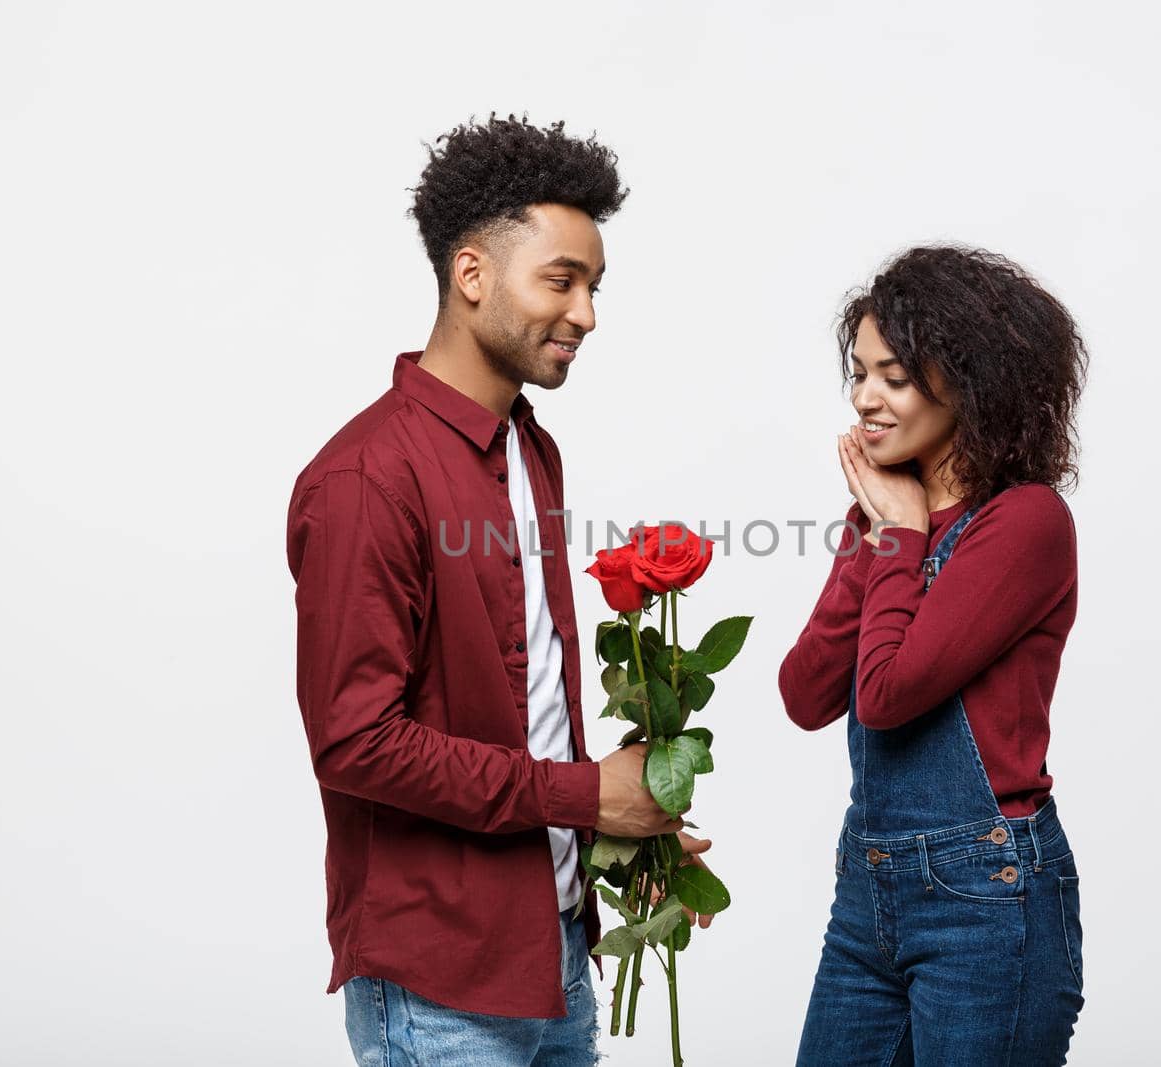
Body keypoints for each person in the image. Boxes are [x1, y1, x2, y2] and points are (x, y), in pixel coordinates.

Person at [285, 113, 713, 1066]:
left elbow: (527, 702)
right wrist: (582, 795)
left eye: (594, 286)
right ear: (471, 275)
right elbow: (355, 742)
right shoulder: (366, 478)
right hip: (440, 982)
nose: (587, 314)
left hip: (558, 948)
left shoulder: (531, 449)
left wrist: (619, 839)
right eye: (561, 281)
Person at [779, 245, 1089, 1064]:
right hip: (867, 892)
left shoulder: (1024, 524)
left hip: (987, 900)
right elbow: (806, 693)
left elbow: (884, 693)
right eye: (859, 373)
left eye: (895, 376)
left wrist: (903, 534)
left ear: (969, 380)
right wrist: (884, 532)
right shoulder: (886, 513)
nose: (866, 399)